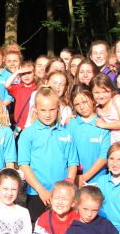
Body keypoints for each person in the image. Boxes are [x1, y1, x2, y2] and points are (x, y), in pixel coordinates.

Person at [17, 88, 80, 222]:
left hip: (62, 195)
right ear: (35, 109)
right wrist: (41, 190)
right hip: (36, 193)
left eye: (52, 109)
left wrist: (67, 188)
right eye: (43, 110)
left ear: (58, 108)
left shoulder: (66, 134)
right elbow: (24, 165)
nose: (47, 114)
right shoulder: (28, 134)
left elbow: (72, 163)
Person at [68, 86, 112, 184]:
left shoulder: (102, 124)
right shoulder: (70, 124)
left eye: (85, 102)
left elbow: (104, 157)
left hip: (98, 182)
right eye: (77, 104)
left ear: (92, 100)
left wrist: (83, 178)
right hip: (73, 181)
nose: (82, 107)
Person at [4, 61, 37, 132]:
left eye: (29, 73)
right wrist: (17, 72)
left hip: (32, 124)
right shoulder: (18, 88)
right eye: (23, 74)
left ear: (34, 74)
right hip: (19, 125)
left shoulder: (37, 88)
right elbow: (7, 85)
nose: (26, 76)